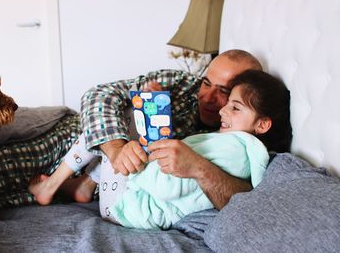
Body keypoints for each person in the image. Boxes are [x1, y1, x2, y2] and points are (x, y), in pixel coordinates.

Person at [28, 49, 272, 210]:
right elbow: (98, 95)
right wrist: (117, 148)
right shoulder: (181, 84)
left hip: (125, 191)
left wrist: (197, 166)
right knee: (137, 106)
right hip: (87, 139)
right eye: (206, 83)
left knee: (137, 113)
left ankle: (66, 185)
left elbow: (248, 197)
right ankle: (83, 185)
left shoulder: (237, 140)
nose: (207, 98)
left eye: (225, 92)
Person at [109, 69, 292, 229]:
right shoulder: (232, 145)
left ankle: (85, 181)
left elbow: (166, 187)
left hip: (129, 209)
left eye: (235, 108)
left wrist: (138, 170)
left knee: (119, 122)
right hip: (135, 201)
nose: (222, 111)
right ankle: (86, 181)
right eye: (227, 103)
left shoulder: (233, 149)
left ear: (262, 125)